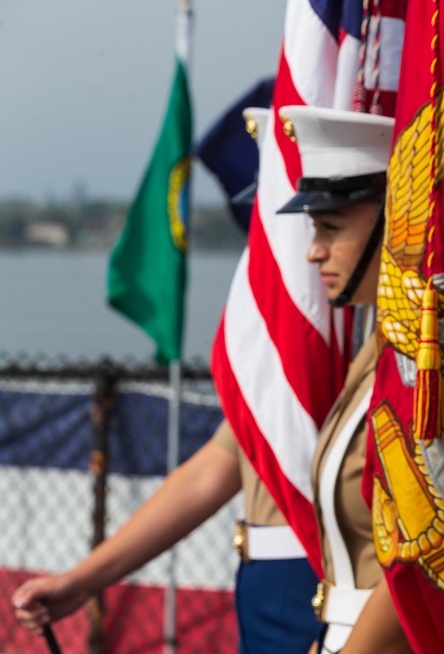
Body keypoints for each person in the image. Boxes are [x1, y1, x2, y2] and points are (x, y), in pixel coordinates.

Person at [11, 107, 325, 654]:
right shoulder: (289, 341)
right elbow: (218, 466)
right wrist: (82, 580)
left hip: (321, 589)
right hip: (264, 588)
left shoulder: (361, 344)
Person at [275, 106, 410, 654]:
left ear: (395, 219)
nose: (314, 252)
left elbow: (423, 554)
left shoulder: (418, 364)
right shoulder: (375, 351)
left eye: (330, 228)